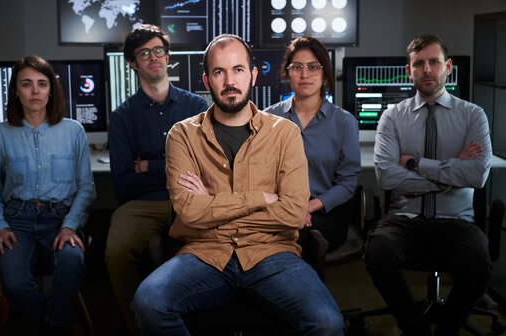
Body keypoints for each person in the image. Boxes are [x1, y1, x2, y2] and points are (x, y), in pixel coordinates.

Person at [131, 34, 344, 335]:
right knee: (149, 301)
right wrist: (261, 197)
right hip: (204, 253)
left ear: (253, 75)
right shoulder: (182, 135)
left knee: (327, 322)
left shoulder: (285, 133)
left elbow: (294, 213)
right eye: (219, 72)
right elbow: (190, 213)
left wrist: (212, 204)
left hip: (271, 253)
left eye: (238, 70)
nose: (230, 81)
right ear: (207, 80)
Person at [366, 34, 492, 336]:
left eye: (433, 62)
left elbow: (476, 175)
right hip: (404, 219)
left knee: (479, 261)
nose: (426, 69)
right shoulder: (392, 117)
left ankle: (447, 330)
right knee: (378, 253)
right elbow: (386, 176)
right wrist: (450, 172)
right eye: (418, 64)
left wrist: (417, 164)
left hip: (456, 221)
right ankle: (416, 329)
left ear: (447, 66)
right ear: (409, 71)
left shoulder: (473, 115)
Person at [105, 24, 208, 335]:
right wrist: (175, 170)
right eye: (144, 53)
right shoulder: (122, 117)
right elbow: (122, 185)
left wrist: (148, 166)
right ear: (133, 63)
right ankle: (139, 325)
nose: (153, 58)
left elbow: (206, 169)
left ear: (169, 56)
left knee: (214, 244)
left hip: (191, 197)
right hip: (143, 203)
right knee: (116, 252)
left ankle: (200, 324)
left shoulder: (197, 107)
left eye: (158, 51)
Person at [0, 55, 96, 334]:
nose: (35, 91)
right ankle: (51, 323)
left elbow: (86, 188)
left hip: (60, 220)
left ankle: (50, 326)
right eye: (27, 84)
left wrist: (71, 225)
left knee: (72, 263)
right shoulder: (2, 133)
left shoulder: (73, 131)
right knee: (13, 280)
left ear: (51, 90)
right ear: (15, 91)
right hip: (16, 221)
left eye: (42, 84)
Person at [265, 36, 360, 252]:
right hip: (278, 209)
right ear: (287, 72)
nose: (304, 74)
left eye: (313, 67)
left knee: (300, 238)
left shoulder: (344, 123)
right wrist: (288, 207)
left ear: (324, 73)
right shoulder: (267, 119)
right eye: (297, 67)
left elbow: (346, 184)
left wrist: (306, 207)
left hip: (324, 213)